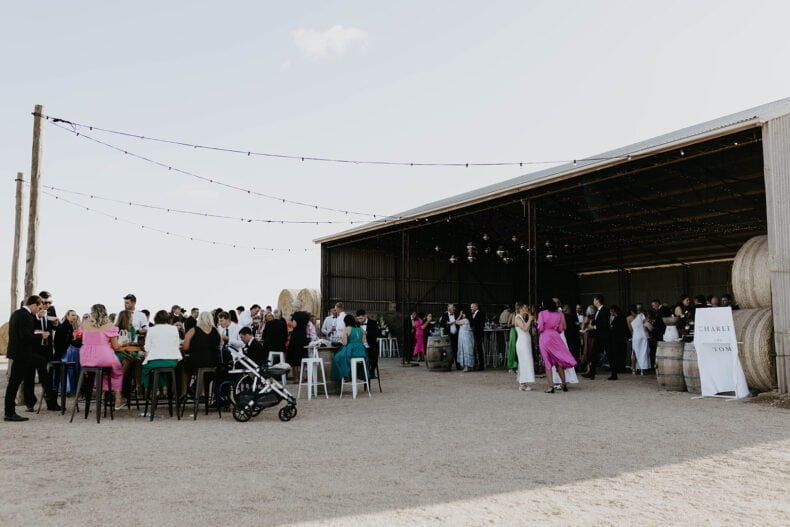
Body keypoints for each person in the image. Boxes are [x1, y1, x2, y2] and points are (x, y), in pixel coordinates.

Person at [5, 296, 52, 421]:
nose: (39, 310)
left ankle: (47, 390)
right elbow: (25, 337)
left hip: (21, 353)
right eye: (39, 307)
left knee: (39, 362)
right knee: (14, 384)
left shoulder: (18, 313)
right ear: (34, 305)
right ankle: (9, 413)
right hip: (22, 354)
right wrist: (41, 336)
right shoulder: (24, 315)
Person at [80, 304, 125, 409]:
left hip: (86, 357)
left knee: (101, 371)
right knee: (117, 370)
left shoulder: (85, 325)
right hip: (103, 355)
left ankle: (103, 396)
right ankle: (118, 398)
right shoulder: (109, 326)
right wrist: (123, 343)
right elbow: (115, 346)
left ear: (92, 312)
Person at [537, 299, 577, 393]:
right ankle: (564, 383)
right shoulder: (559, 314)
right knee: (558, 361)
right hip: (555, 337)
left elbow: (540, 327)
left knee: (547, 363)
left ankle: (551, 387)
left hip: (545, 338)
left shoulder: (542, 313)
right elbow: (561, 329)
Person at [141, 310, 182, 396]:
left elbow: (147, 347)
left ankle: (150, 389)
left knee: (146, 368)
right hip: (172, 361)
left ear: (156, 318)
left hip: (155, 361)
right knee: (164, 369)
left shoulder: (151, 329)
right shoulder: (174, 329)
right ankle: (164, 387)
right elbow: (177, 345)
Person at [180, 311, 221, 389]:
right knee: (201, 369)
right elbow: (219, 345)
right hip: (213, 362)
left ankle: (184, 392)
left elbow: (185, 347)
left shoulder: (193, 330)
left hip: (197, 362)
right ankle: (202, 392)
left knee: (183, 366)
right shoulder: (216, 331)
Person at [331, 314, 369, 381]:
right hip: (362, 352)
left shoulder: (347, 329)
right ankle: (351, 375)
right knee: (344, 358)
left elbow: (344, 343)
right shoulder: (361, 329)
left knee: (337, 357)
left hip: (351, 352)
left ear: (346, 322)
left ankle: (344, 375)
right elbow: (363, 341)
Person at [582, 295, 609, 380]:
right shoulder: (597, 311)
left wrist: (593, 327)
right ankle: (592, 373)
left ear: (597, 301)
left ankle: (614, 373)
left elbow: (605, 324)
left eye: (594, 300)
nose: (593, 301)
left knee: (609, 354)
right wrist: (590, 327)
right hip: (597, 336)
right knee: (593, 354)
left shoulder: (604, 310)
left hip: (603, 336)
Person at [513, 304, 535, 391]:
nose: (527, 309)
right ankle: (522, 384)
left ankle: (523, 383)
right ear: (520, 309)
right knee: (524, 362)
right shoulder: (518, 318)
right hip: (522, 343)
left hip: (525, 343)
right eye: (525, 307)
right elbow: (525, 328)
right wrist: (529, 319)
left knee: (526, 361)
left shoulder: (522, 318)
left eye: (527, 307)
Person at [357, 310, 380, 378]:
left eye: (361, 318)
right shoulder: (357, 324)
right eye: (358, 319)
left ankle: (371, 372)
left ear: (365, 316)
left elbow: (377, 333)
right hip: (361, 345)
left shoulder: (373, 323)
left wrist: (368, 333)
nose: (360, 320)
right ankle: (361, 373)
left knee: (374, 355)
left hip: (370, 345)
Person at [287, 309, 311, 374]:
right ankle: (302, 375)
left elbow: (294, 325)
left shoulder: (296, 315)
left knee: (294, 356)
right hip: (303, 335)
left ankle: (296, 375)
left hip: (296, 336)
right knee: (302, 355)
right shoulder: (305, 315)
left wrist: (290, 322)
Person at [628, 305, 650, 374]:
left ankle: (633, 369)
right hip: (643, 336)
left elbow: (631, 329)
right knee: (643, 352)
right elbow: (646, 326)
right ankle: (642, 370)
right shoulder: (641, 315)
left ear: (631, 311)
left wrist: (633, 336)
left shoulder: (628, 318)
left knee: (634, 352)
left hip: (635, 336)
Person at [608, 305, 628, 380]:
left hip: (618, 339)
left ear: (613, 311)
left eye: (611, 311)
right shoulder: (620, 317)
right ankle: (620, 368)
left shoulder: (619, 318)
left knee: (618, 353)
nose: (610, 313)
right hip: (620, 339)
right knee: (619, 353)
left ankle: (620, 368)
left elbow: (617, 328)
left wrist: (611, 327)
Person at [438, 304, 459, 369]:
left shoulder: (457, 314)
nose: (454, 308)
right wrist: (447, 323)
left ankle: (458, 365)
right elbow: (441, 324)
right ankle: (448, 365)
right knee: (448, 350)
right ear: (449, 308)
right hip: (448, 335)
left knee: (456, 350)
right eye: (453, 307)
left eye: (454, 307)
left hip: (456, 335)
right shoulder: (444, 315)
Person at [470, 303, 486, 370]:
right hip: (474, 333)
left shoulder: (480, 313)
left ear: (476, 307)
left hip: (478, 333)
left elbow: (475, 322)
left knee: (479, 349)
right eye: (471, 307)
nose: (471, 308)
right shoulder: (473, 314)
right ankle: (476, 364)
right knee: (475, 349)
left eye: (472, 307)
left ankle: (481, 365)